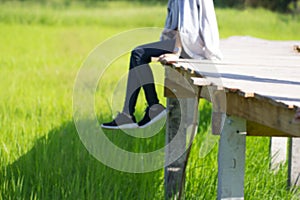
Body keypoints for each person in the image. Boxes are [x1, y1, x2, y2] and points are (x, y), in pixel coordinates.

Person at [101, 0, 222, 129]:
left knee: (138, 53)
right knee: (137, 56)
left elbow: (186, 23)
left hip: (189, 45)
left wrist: (176, 52)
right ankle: (128, 114)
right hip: (188, 42)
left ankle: (152, 108)